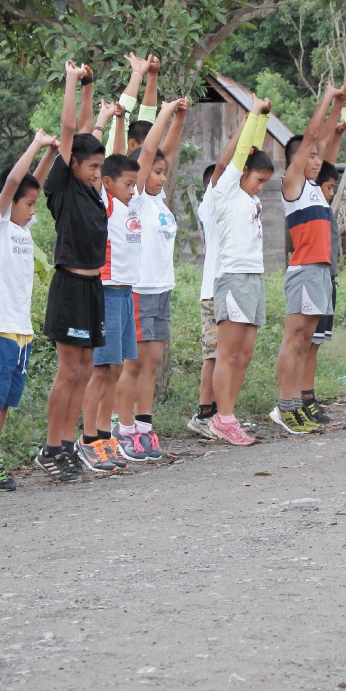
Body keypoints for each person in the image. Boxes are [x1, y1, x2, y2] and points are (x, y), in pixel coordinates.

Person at [0, 129, 56, 491]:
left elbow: (33, 182)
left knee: (4, 399)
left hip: (20, 331)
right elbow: (15, 182)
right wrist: (36, 144)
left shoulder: (22, 227)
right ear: (8, 202)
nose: (33, 210)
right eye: (28, 204)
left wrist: (51, 154)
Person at [36, 60, 107, 482]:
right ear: (73, 165)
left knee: (83, 371)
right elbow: (69, 133)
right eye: (92, 167)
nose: (99, 174)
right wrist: (68, 81)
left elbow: (85, 132)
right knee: (68, 371)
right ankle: (51, 446)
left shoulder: (93, 191)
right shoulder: (62, 188)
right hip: (69, 287)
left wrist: (88, 89)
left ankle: (66, 445)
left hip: (93, 288)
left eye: (101, 168)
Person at [114, 97, 189, 460]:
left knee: (153, 362)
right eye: (156, 173)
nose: (161, 176)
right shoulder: (139, 199)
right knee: (134, 363)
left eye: (163, 173)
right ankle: (123, 426)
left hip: (161, 291)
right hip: (139, 291)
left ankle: (144, 425)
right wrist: (164, 113)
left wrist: (180, 119)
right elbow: (149, 154)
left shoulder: (158, 203)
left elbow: (165, 153)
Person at [271, 84, 343, 434]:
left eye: (318, 157)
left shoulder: (315, 188)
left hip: (321, 273)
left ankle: (296, 403)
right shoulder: (293, 185)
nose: (316, 160)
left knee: (306, 342)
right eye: (309, 156)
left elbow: (323, 139)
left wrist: (340, 103)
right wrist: (327, 96)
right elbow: (314, 133)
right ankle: (284, 408)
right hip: (303, 271)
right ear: (296, 160)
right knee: (294, 339)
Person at [208, 95, 275, 445]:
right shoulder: (227, 192)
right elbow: (241, 155)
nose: (260, 186)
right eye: (258, 179)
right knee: (229, 352)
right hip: (233, 278)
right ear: (242, 174)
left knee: (245, 353)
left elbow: (253, 151)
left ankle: (227, 415)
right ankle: (224, 418)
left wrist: (263, 117)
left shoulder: (250, 198)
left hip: (255, 277)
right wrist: (251, 115)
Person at [75, 149, 143, 473]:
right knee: (100, 370)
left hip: (126, 294)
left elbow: (127, 158)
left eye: (134, 184)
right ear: (107, 183)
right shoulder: (107, 203)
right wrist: (112, 119)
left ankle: (104, 433)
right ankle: (88, 438)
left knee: (117, 368)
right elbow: (107, 161)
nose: (132, 190)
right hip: (106, 293)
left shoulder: (131, 206)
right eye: (128, 184)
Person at [301, 161, 342, 424]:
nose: (331, 193)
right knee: (305, 344)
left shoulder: (327, 209)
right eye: (329, 187)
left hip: (329, 279)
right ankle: (298, 401)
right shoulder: (310, 205)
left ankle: (309, 397)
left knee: (315, 345)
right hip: (313, 277)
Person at [188, 162, 225, 438]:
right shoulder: (210, 205)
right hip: (213, 293)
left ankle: (221, 414)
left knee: (227, 355)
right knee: (213, 355)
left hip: (230, 290)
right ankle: (203, 413)